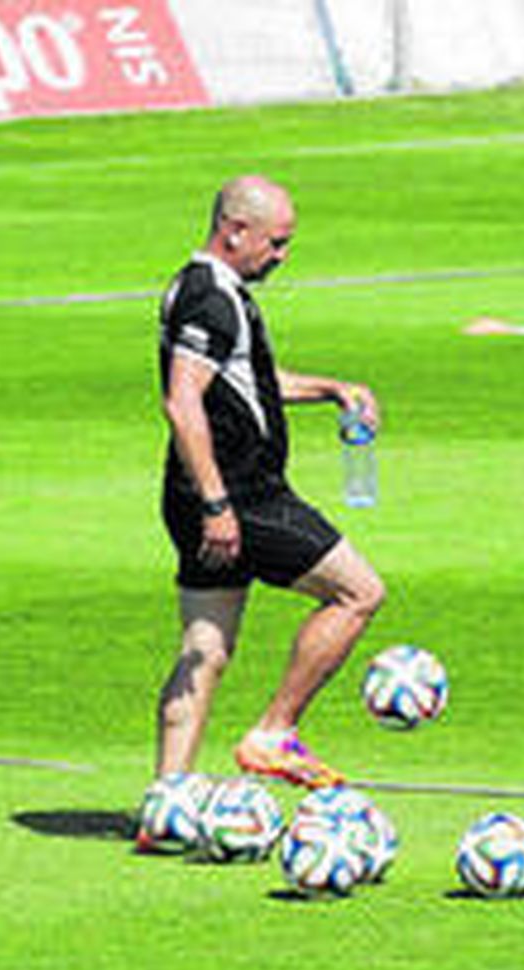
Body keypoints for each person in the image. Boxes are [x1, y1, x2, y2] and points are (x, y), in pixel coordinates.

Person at [150, 175, 385, 801]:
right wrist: (219, 504)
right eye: (276, 244)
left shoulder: (199, 287)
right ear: (235, 231)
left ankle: (167, 800)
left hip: (198, 495)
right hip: (242, 497)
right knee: (358, 593)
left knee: (205, 646)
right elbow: (183, 402)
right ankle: (276, 731)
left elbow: (247, 377)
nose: (282, 256)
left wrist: (330, 389)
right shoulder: (212, 300)